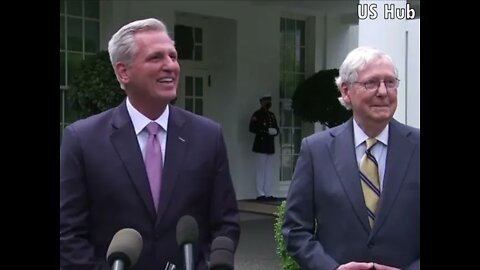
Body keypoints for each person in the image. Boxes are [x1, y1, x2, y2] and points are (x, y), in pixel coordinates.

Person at [60, 18, 240, 270]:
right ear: (124, 71)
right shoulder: (82, 140)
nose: (171, 66)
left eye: (173, 56)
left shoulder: (207, 136)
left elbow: (225, 223)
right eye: (156, 58)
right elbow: (68, 234)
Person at [282, 46, 419, 270]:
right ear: (346, 91)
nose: (383, 91)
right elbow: (295, 230)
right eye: (371, 83)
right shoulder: (316, 150)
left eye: (390, 82)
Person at [249, 94, 280, 201]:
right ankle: (260, 193)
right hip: (260, 145)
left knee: (269, 170)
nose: (268, 102)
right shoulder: (257, 114)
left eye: (269, 100)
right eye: (266, 100)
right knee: (260, 170)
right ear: (261, 101)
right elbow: (252, 128)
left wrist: (275, 132)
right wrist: (265, 131)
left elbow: (276, 128)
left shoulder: (271, 115)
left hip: (269, 145)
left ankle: (268, 192)